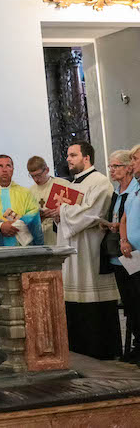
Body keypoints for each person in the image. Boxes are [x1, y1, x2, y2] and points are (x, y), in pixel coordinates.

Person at [61, 141, 120, 360]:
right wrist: (58, 213)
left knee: (93, 294)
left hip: (90, 248)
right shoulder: (71, 184)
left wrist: (62, 210)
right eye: (68, 155)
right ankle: (79, 348)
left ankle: (101, 349)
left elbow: (92, 213)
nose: (69, 159)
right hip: (71, 248)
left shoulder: (100, 182)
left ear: (86, 158)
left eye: (73, 155)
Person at [105, 150, 140, 361]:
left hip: (136, 254)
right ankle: (136, 345)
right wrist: (122, 237)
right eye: (110, 166)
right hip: (122, 255)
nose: (111, 170)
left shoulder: (135, 188)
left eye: (116, 166)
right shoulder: (118, 192)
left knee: (137, 299)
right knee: (130, 302)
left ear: (128, 167)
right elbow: (124, 218)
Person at [0, 155, 43, 247]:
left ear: (13, 169)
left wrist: (16, 225)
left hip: (21, 247)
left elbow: (34, 214)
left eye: (8, 166)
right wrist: (0, 227)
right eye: (0, 166)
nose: (4, 170)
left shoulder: (25, 193)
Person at [26, 156, 71, 246]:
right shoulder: (29, 192)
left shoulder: (63, 185)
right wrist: (38, 216)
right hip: (40, 236)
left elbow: (74, 211)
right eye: (32, 176)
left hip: (59, 234)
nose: (36, 179)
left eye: (38, 175)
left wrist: (59, 212)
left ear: (47, 170)